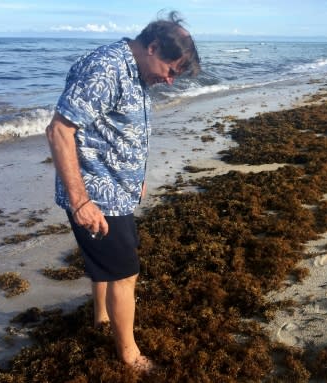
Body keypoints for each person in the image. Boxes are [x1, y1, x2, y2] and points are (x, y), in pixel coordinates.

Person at [46, 11, 200, 373]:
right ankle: (129, 355)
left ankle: (100, 320)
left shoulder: (136, 69)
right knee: (124, 274)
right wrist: (81, 200)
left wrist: (137, 177)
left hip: (118, 187)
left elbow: (117, 131)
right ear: (152, 47)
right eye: (171, 69)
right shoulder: (106, 69)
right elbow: (58, 130)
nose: (171, 79)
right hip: (97, 194)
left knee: (106, 267)